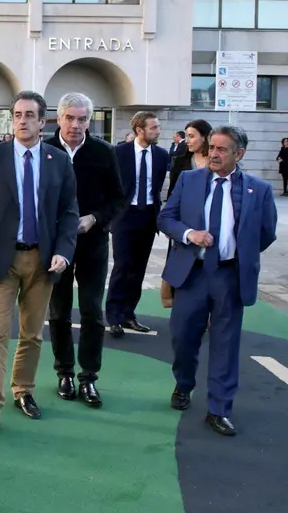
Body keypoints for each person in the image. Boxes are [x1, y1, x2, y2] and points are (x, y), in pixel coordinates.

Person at [0, 90, 79, 429]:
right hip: (1, 257)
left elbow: (69, 213)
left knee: (31, 334)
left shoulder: (59, 161)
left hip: (42, 261)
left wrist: (63, 251)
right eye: (17, 114)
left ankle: (23, 390)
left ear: (43, 122)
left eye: (29, 115)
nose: (22, 120)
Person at [157, 125, 278, 436]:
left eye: (222, 149)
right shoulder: (189, 179)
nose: (213, 153)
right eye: (212, 147)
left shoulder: (258, 190)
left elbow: (267, 233)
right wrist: (189, 234)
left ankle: (219, 409)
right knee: (183, 337)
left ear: (239, 154)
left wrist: (240, 251)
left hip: (230, 275)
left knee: (226, 344)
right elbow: (165, 218)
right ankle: (183, 384)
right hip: (192, 274)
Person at [44, 92, 126, 407]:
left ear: (89, 121)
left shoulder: (104, 152)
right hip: (56, 246)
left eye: (82, 119)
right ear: (59, 118)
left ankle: (88, 377)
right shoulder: (45, 150)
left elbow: (118, 199)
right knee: (59, 312)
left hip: (93, 243)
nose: (76, 125)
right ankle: (63, 371)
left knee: (93, 311)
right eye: (70, 118)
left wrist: (94, 218)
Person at [107, 111, 169, 336]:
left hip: (148, 217)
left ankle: (128, 315)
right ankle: (113, 316)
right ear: (139, 130)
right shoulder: (118, 152)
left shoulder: (162, 155)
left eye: (158, 127)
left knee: (138, 270)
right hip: (124, 217)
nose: (158, 131)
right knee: (123, 267)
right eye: (153, 127)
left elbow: (158, 187)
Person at [162, 119, 212, 308]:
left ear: (205, 138)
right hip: (184, 224)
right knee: (182, 265)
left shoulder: (216, 162)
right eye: (187, 136)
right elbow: (173, 193)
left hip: (208, 223)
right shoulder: (182, 159)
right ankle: (178, 303)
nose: (187, 141)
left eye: (191, 136)